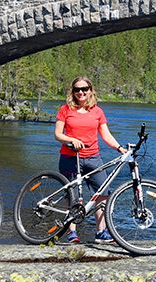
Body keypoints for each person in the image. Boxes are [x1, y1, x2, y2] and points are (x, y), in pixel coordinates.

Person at [54, 76, 127, 244]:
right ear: (72, 92)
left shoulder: (97, 111)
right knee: (72, 196)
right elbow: (58, 134)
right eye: (77, 89)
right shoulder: (65, 110)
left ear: (90, 91)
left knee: (103, 193)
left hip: (93, 158)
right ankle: (71, 232)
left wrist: (119, 148)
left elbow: (105, 134)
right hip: (70, 158)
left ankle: (101, 232)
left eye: (84, 89)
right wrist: (71, 140)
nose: (81, 92)